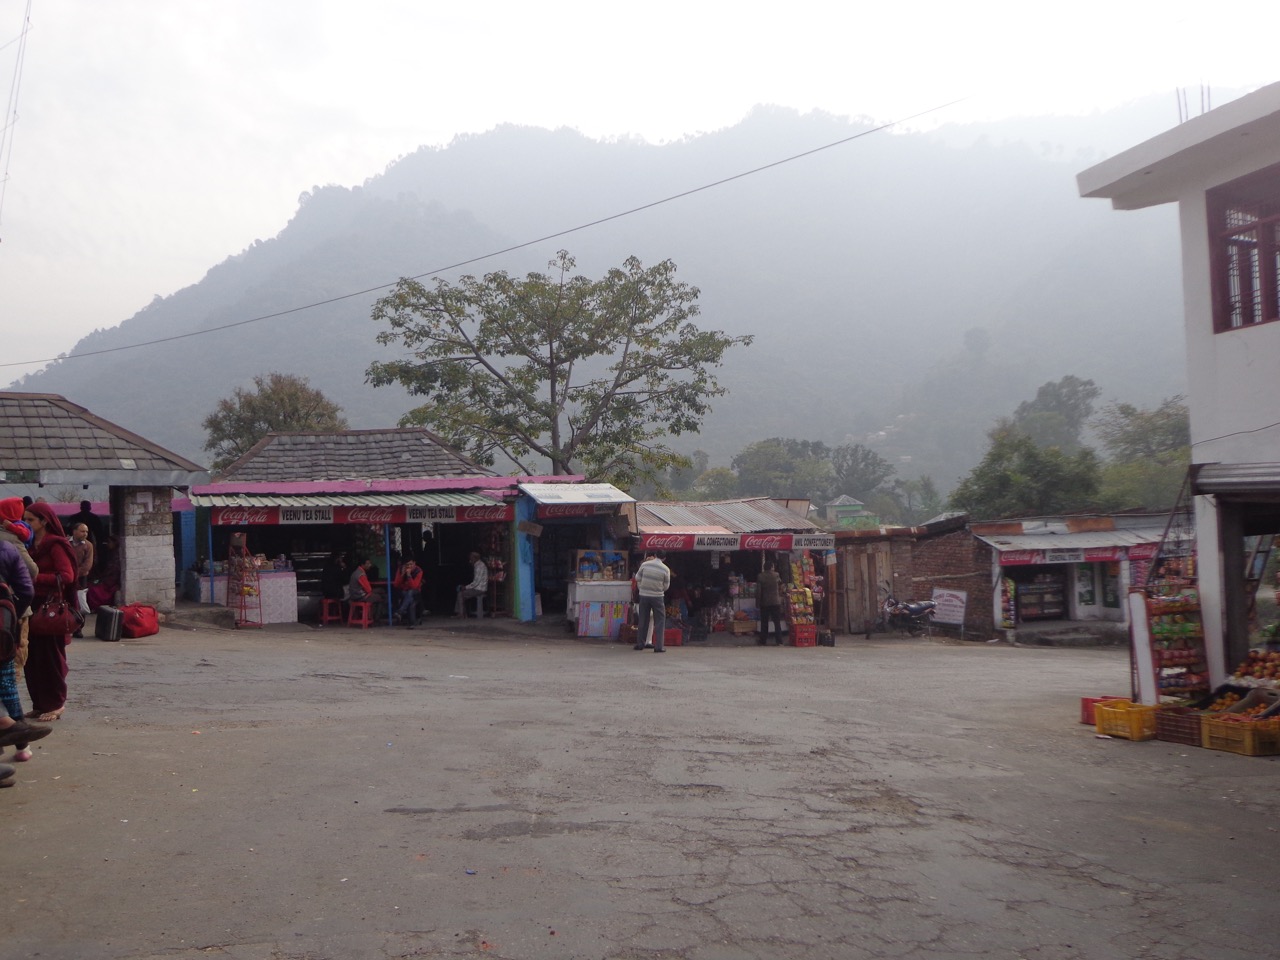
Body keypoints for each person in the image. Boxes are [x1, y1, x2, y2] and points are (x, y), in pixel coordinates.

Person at [22, 501, 78, 723]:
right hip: (31, 605)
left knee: (51, 658)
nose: (26, 523)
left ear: (44, 521)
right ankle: (39, 704)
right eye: (25, 519)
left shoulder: (55, 545)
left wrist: (34, 579)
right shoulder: (29, 544)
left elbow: (67, 576)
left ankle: (55, 704)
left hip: (50, 608)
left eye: (30, 520)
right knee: (32, 658)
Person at [0, 535, 50, 775]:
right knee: (7, 682)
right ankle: (20, 741)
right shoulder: (7, 546)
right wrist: (13, 614)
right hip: (4, 627)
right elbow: (27, 587)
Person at [633, 551, 672, 653]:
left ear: (655, 556)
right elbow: (666, 586)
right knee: (659, 621)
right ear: (664, 558)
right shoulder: (666, 569)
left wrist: (643, 587)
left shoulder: (645, 564)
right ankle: (659, 646)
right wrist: (659, 589)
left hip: (644, 595)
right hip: (658, 597)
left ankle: (640, 644)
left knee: (643, 619)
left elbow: (637, 578)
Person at [68, 522, 94, 638]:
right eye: (82, 531)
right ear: (74, 531)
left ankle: (78, 628)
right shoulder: (66, 543)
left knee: (80, 604)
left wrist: (75, 574)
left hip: (80, 579)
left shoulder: (88, 546)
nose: (85, 534)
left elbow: (87, 565)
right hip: (66, 577)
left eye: (86, 532)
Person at [756, 559, 784, 646]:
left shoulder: (760, 576)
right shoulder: (776, 575)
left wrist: (757, 602)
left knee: (764, 622)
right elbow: (781, 585)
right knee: (777, 622)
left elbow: (758, 591)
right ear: (771, 567)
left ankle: (763, 641)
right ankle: (779, 641)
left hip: (765, 602)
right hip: (776, 602)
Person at [454, 551, 488, 618]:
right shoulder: (478, 565)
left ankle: (461, 614)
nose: (470, 561)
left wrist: (466, 587)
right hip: (478, 588)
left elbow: (476, 582)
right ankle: (462, 613)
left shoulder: (479, 567)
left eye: (471, 559)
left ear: (475, 559)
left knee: (461, 594)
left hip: (479, 589)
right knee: (461, 592)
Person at [393, 558, 424, 628]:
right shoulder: (400, 569)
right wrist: (402, 575)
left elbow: (414, 586)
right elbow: (396, 585)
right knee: (410, 599)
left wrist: (409, 576)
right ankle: (412, 623)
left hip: (416, 592)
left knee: (410, 593)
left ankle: (400, 611)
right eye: (407, 565)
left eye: (411, 564)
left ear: (414, 563)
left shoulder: (419, 571)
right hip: (404, 591)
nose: (409, 566)